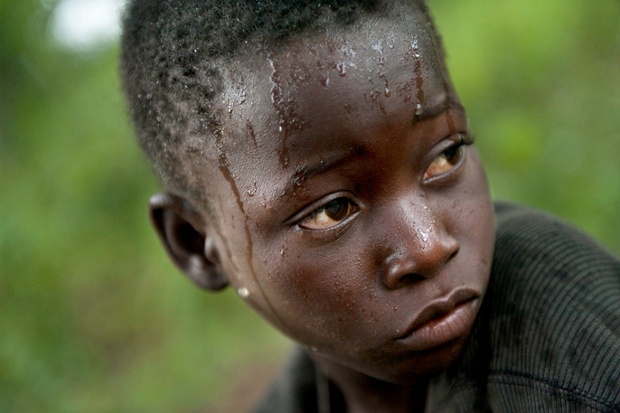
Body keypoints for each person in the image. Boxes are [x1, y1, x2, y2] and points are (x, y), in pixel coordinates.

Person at [119, 1, 620, 411]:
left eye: (444, 157)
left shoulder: (574, 355)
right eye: (331, 211)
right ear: (198, 246)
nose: (427, 248)